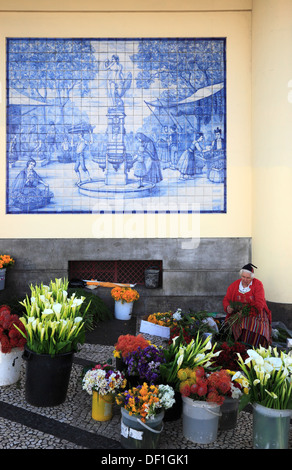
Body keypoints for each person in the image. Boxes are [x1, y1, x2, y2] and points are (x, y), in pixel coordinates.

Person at [223, 263, 272, 347]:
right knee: (241, 324)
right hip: (237, 312)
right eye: (243, 277)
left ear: (252, 277)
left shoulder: (258, 284)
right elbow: (226, 299)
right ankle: (241, 346)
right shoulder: (234, 286)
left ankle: (259, 346)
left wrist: (247, 312)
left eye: (248, 278)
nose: (245, 280)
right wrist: (228, 307)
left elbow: (260, 303)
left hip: (256, 311)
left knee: (258, 327)